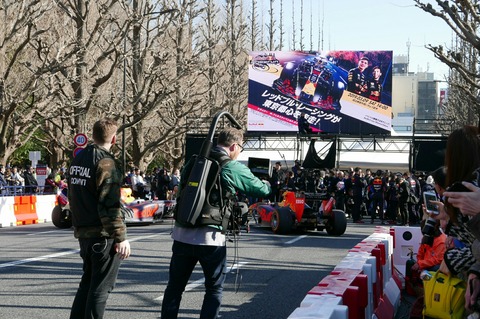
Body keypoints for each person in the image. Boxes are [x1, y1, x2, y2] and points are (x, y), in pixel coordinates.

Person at [161, 127, 271, 319]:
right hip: (211, 238)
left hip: (182, 234)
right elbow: (261, 189)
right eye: (240, 149)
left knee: (174, 288)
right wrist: (267, 184)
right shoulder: (230, 166)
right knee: (213, 289)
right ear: (234, 146)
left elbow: (181, 192)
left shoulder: (193, 161)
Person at [67, 118, 131, 319]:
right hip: (102, 235)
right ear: (114, 139)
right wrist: (121, 237)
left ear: (92, 135)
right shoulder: (106, 162)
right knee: (101, 289)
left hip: (83, 232)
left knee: (86, 285)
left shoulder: (78, 159)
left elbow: (73, 196)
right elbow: (109, 205)